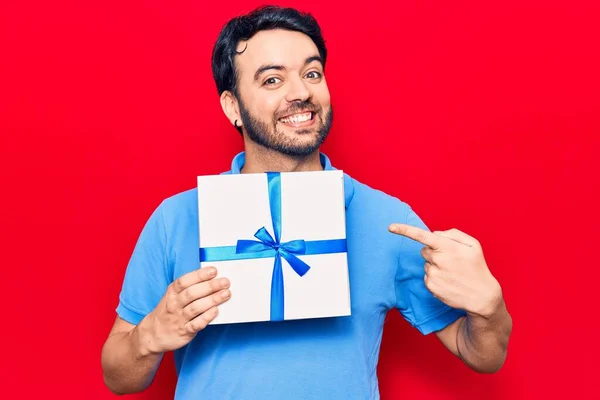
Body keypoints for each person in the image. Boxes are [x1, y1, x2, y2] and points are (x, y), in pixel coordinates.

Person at [101, 5, 513, 399]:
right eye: (272, 80)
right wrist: (150, 335)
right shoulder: (176, 219)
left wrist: (489, 308)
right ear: (233, 107)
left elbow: (482, 354)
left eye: (312, 73)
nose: (301, 92)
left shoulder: (386, 221)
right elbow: (117, 376)